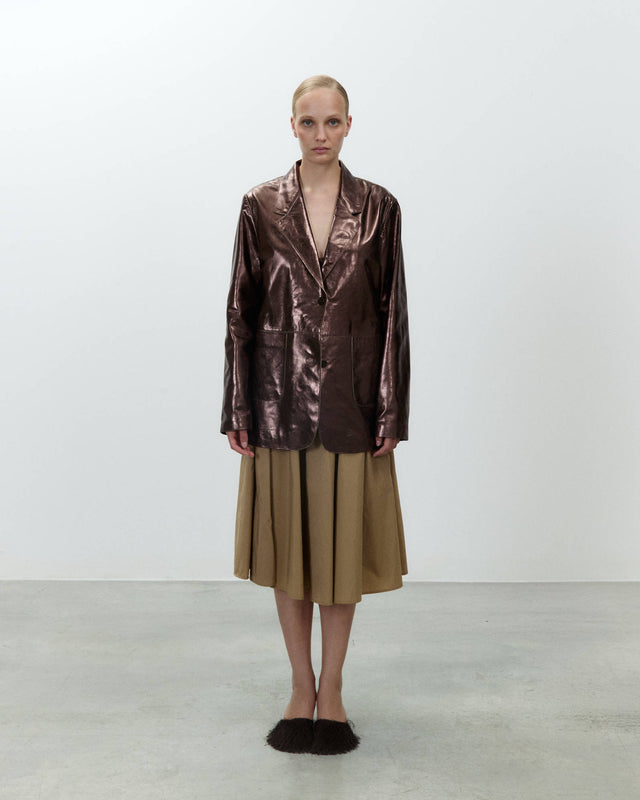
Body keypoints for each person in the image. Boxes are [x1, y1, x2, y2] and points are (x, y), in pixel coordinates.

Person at [220, 75, 410, 755]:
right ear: (292, 126)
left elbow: (393, 313)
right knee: (291, 555)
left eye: (332, 121)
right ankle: (299, 687)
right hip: (279, 399)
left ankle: (333, 690)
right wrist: (238, 404)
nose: (321, 134)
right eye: (309, 122)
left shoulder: (379, 207)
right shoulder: (260, 205)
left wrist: (391, 407)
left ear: (350, 124)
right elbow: (240, 310)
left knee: (339, 556)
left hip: (351, 403)